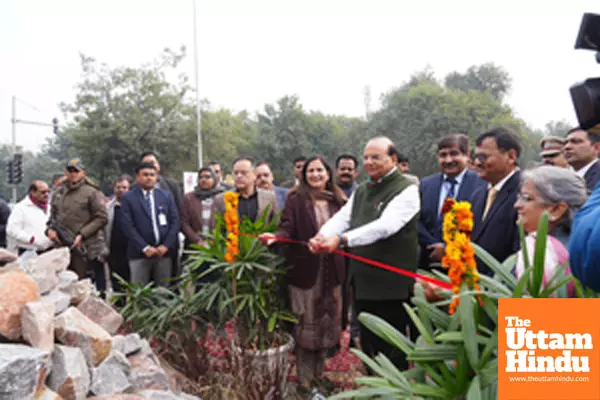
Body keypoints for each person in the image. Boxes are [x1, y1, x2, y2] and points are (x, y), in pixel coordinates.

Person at [308, 136, 420, 371]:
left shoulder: (407, 190)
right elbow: (343, 218)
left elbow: (386, 226)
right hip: (363, 284)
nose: (369, 162)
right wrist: (322, 235)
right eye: (366, 157)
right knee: (369, 347)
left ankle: (393, 394)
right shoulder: (363, 191)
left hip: (391, 287)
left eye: (376, 157)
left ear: (394, 159)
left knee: (392, 347)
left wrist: (342, 240)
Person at [259, 156, 347, 396]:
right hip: (306, 273)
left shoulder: (340, 201)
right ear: (304, 175)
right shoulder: (296, 200)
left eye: (320, 170)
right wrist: (276, 236)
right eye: (311, 171)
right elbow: (286, 226)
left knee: (327, 326)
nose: (316, 174)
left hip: (334, 272)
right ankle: (305, 382)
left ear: (328, 174)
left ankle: (320, 377)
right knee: (305, 327)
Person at [514, 166, 586, 297]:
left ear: (556, 210)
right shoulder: (583, 245)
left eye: (527, 198)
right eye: (519, 197)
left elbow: (536, 316)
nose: (517, 205)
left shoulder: (546, 254)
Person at [418, 134, 486, 269]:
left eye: (454, 154)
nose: (448, 160)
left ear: (467, 155)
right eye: (443, 155)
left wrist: (448, 248)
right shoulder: (426, 184)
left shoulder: (481, 184)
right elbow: (416, 220)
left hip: (465, 264)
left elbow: (481, 224)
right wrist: (434, 246)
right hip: (429, 262)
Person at [47, 159, 108, 290]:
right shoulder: (58, 193)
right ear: (65, 172)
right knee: (64, 287)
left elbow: (102, 217)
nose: (73, 174)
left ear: (83, 173)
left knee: (84, 287)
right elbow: (52, 218)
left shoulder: (92, 192)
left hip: (86, 247)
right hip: (63, 248)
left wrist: (82, 234)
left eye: (76, 171)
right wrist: (50, 230)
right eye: (70, 170)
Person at [119, 163, 180, 287]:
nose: (149, 178)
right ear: (138, 177)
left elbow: (175, 222)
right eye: (145, 175)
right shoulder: (128, 198)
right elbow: (127, 226)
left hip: (163, 254)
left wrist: (166, 245)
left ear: (157, 177)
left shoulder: (166, 196)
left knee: (162, 292)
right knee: (140, 294)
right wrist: (145, 247)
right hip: (139, 254)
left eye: (152, 175)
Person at [470, 128, 522, 275]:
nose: (477, 163)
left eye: (483, 157)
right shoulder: (478, 195)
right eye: (476, 157)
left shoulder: (525, 193)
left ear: (511, 156)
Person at [214, 157, 278, 224]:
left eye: (243, 173)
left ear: (254, 175)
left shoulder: (269, 197)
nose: (239, 176)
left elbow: (276, 226)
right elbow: (217, 229)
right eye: (236, 173)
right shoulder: (222, 199)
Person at [181, 167, 224, 247]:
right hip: (195, 247)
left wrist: (216, 240)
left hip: (218, 247)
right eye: (201, 177)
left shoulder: (223, 197)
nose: (203, 180)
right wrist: (198, 241)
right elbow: (184, 223)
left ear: (214, 179)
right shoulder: (189, 198)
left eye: (208, 177)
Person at [7, 181, 53, 255]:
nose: (47, 194)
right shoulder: (21, 208)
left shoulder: (50, 208)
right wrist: (31, 239)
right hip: (29, 252)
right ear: (33, 192)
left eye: (48, 192)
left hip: (49, 251)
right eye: (43, 192)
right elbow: (12, 230)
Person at [106, 175, 132, 292]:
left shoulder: (135, 206)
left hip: (132, 251)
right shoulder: (107, 208)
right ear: (114, 189)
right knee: (117, 283)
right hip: (114, 251)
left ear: (129, 189)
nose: (121, 190)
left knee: (133, 282)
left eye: (124, 187)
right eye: (118, 187)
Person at [564, 128, 600, 193]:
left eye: (576, 141)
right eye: (566, 143)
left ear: (596, 148)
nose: (567, 147)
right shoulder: (563, 178)